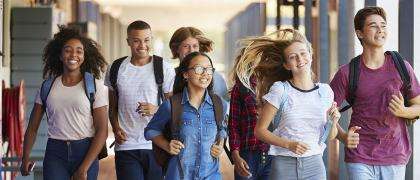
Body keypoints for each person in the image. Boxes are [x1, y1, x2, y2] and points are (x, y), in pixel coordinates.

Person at [330, 6, 420, 180]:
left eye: (383, 25)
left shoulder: (402, 67)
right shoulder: (347, 72)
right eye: (373, 25)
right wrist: (342, 136)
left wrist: (403, 111)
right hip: (360, 155)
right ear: (360, 33)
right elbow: (325, 111)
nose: (380, 30)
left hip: (394, 155)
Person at [237, 29, 340, 179]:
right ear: (286, 65)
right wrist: (289, 145)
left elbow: (330, 136)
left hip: (315, 165)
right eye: (293, 57)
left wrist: (334, 121)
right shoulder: (281, 90)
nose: (300, 59)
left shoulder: (325, 91)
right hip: (284, 165)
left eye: (303, 53)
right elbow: (260, 131)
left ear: (310, 55)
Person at [20, 27, 108, 180]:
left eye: (79, 51)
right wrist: (25, 157)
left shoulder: (94, 86)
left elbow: (102, 131)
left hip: (85, 151)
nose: (73, 55)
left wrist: (83, 168)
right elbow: (32, 128)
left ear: (84, 56)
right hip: (55, 153)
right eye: (68, 50)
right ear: (60, 55)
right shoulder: (47, 87)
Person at [104, 20, 175, 180]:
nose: (142, 45)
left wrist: (156, 109)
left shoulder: (163, 67)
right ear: (128, 42)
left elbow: (173, 107)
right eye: (136, 40)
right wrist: (115, 128)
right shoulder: (116, 68)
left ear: (151, 39)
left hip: (156, 144)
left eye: (146, 40)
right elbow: (112, 107)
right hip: (126, 145)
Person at [144, 52, 227, 180]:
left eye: (209, 69)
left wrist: (220, 144)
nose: (205, 73)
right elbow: (150, 131)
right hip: (179, 175)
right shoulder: (171, 105)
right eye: (199, 69)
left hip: (211, 175)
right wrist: (167, 145)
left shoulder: (219, 104)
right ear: (185, 74)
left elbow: (222, 128)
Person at [228, 48, 272, 180]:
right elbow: (233, 124)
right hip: (247, 155)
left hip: (273, 154)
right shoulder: (240, 88)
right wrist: (235, 155)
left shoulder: (276, 86)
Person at [169, 27, 228, 100]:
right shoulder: (168, 76)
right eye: (186, 46)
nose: (191, 50)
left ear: (200, 49)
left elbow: (224, 107)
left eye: (195, 46)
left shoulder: (215, 78)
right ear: (177, 48)